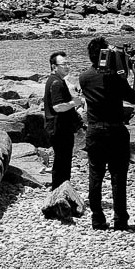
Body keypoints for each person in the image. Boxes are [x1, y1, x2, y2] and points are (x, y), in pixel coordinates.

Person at [77, 37, 135, 231]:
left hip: (94, 131)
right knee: (118, 177)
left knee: (95, 176)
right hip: (115, 131)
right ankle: (120, 221)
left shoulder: (84, 77)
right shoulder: (116, 78)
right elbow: (134, 99)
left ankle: (97, 219)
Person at [43, 51, 85, 189]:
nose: (67, 67)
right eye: (63, 64)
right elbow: (57, 107)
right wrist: (74, 103)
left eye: (68, 64)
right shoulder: (56, 82)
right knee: (62, 162)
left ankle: (62, 191)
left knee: (63, 161)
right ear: (54, 67)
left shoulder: (56, 80)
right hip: (59, 128)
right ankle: (59, 192)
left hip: (59, 127)